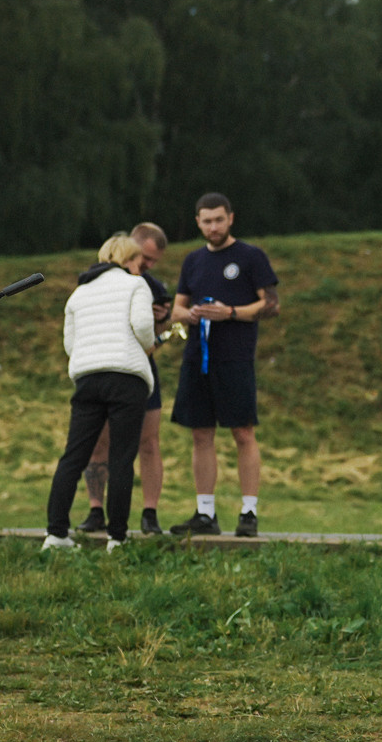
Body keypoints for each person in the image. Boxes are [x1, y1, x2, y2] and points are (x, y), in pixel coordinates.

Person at [168, 193, 278, 538]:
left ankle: (249, 512)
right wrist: (193, 314)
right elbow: (177, 309)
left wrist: (230, 313)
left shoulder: (250, 256)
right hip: (197, 358)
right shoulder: (193, 261)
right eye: (206, 220)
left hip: (235, 357)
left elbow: (271, 304)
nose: (212, 226)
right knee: (201, 433)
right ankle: (205, 513)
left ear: (231, 218)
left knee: (243, 432)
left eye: (218, 219)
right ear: (197, 222)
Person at [44, 234, 156, 550]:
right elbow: (143, 326)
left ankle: (56, 533)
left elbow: (70, 342)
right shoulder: (136, 285)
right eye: (138, 262)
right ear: (127, 260)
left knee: (74, 455)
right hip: (126, 377)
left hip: (88, 378)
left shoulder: (79, 293)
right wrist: (148, 347)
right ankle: (116, 537)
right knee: (121, 457)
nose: (141, 268)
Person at [84, 222, 175, 538]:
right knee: (99, 441)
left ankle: (150, 513)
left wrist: (163, 319)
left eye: (153, 262)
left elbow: (157, 336)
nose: (147, 266)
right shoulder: (96, 280)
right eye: (144, 258)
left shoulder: (153, 286)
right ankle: (96, 510)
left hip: (140, 368)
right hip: (105, 367)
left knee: (149, 441)